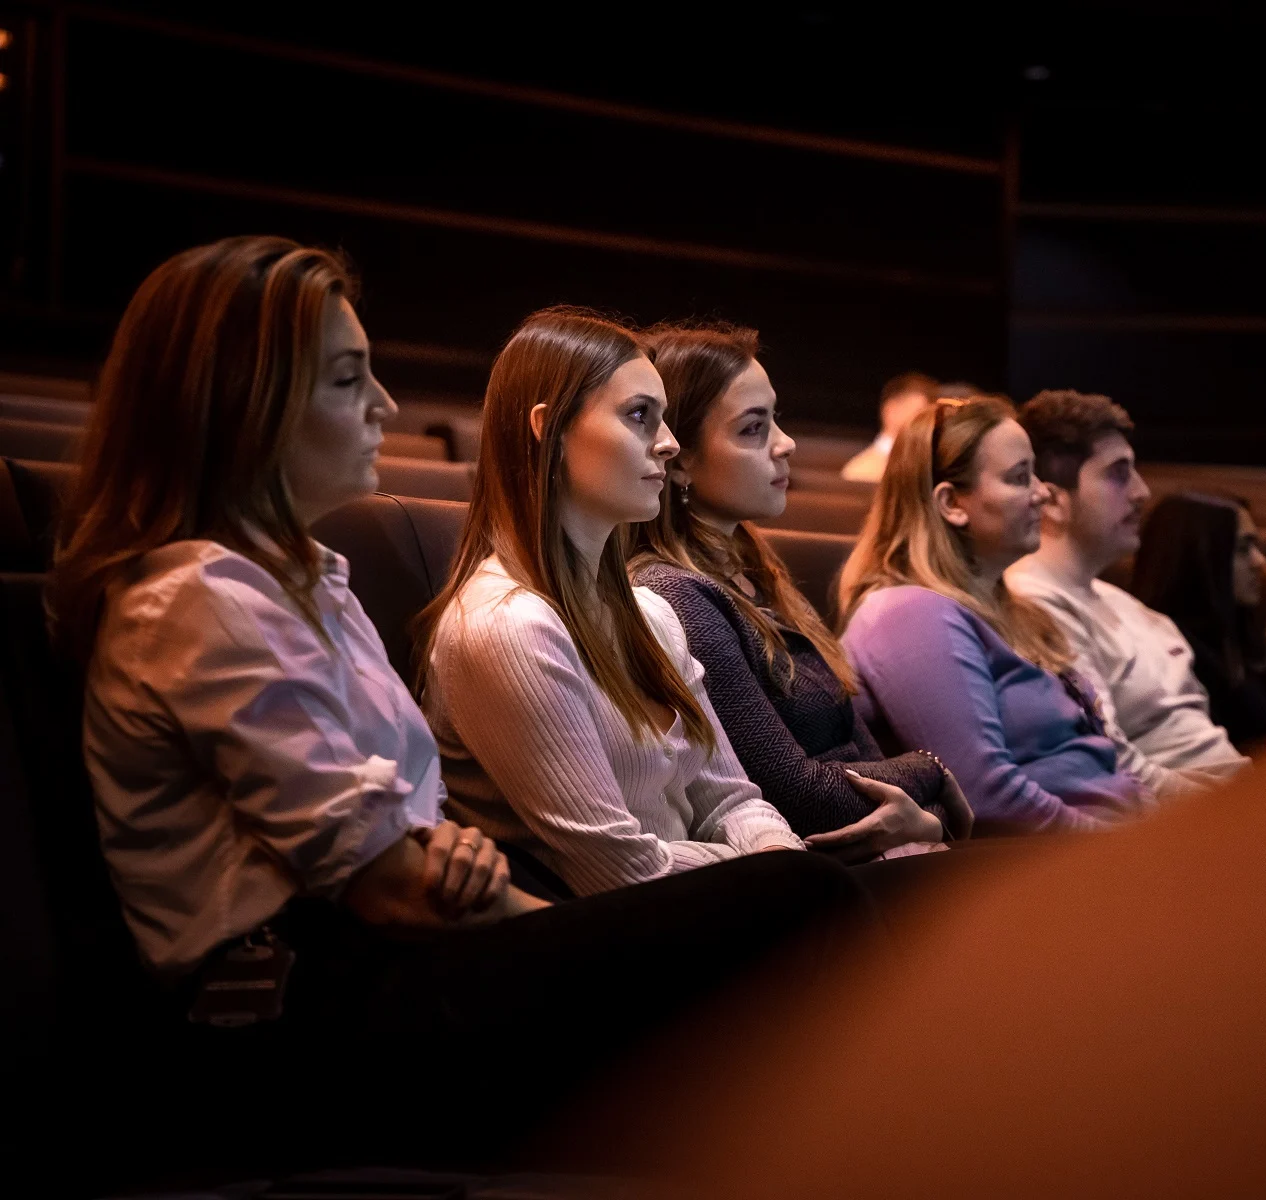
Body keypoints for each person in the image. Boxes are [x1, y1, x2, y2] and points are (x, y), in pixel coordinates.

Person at [52, 238, 873, 1165]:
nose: (384, 405)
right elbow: (393, 887)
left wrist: (469, 870)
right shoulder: (199, 597)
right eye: (347, 378)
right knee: (801, 901)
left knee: (807, 909)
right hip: (295, 1010)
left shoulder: (313, 582)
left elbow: (421, 849)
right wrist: (588, 933)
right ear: (244, 398)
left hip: (398, 958)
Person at [418, 307, 841, 896]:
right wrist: (780, 875)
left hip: (703, 911)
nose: (668, 445)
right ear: (550, 427)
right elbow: (618, 871)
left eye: (665, 419)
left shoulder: (653, 615)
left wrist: (782, 859)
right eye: (640, 417)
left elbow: (732, 799)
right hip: (589, 950)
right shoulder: (508, 626)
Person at [626, 322, 972, 861]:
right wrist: (930, 769)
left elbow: (863, 752)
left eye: (776, 420)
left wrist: (922, 814)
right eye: (752, 429)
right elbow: (799, 796)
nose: (786, 445)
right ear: (681, 457)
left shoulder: (759, 572)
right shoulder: (675, 595)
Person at [836, 394, 1149, 834]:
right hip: (1048, 870)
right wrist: (1124, 848)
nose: (1042, 492)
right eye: (1020, 477)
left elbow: (1099, 758)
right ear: (952, 504)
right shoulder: (907, 613)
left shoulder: (1020, 613)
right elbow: (985, 796)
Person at [1005, 390, 1248, 795]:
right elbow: (1112, 765)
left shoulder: (1124, 603)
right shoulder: (1034, 603)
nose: (1141, 492)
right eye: (1118, 473)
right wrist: (1240, 805)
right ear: (1052, 501)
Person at [1129, 492, 1266, 750]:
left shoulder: (1256, 646)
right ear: (1196, 556)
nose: (1260, 561)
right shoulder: (1167, 655)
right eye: (1242, 549)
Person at [839, 371, 936, 483]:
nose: (928, 423)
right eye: (918, 414)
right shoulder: (861, 472)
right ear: (891, 410)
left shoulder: (933, 467)